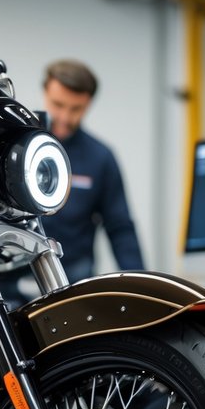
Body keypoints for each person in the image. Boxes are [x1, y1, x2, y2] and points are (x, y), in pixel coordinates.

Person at [37, 59, 144, 282]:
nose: (65, 117)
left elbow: (120, 228)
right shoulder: (15, 147)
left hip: (73, 280)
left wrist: (141, 286)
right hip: (10, 280)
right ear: (45, 92)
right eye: (58, 105)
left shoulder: (100, 157)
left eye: (76, 109)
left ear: (89, 103)